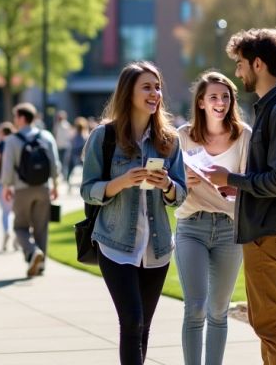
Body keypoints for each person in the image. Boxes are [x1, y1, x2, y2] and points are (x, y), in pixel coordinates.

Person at [80, 61, 187, 365]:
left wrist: (167, 184)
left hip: (157, 249)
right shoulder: (105, 137)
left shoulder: (169, 141)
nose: (155, 93)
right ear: (128, 93)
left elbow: (179, 196)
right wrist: (121, 182)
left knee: (143, 327)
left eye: (157, 87)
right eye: (147, 87)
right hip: (114, 244)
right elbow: (87, 189)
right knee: (131, 322)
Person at [206, 28, 276, 365]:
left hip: (268, 232)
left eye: (241, 63)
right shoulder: (271, 108)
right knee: (264, 323)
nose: (237, 71)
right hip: (262, 229)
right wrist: (239, 185)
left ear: (258, 63)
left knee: (270, 324)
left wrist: (231, 177)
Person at [176, 71, 250, 365]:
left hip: (229, 230)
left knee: (218, 311)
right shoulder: (182, 135)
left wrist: (232, 183)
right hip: (191, 225)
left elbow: (250, 183)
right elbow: (168, 185)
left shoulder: (244, 135)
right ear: (202, 102)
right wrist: (183, 180)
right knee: (195, 308)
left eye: (225, 96)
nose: (220, 102)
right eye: (214, 97)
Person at [0, 102, 63, 277]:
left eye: (15, 117)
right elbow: (55, 164)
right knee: (41, 228)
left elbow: (7, 167)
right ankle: (41, 264)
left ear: (21, 118)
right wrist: (56, 185)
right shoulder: (46, 136)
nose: (14, 120)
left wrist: (6, 186)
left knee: (20, 227)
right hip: (43, 188)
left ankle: (32, 251)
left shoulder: (12, 140)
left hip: (22, 189)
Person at [0, 121, 18, 252]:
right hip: (17, 183)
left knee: (6, 212)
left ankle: (7, 230)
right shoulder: (17, 143)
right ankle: (17, 237)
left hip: (3, 182)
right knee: (17, 213)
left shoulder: (0, 145)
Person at [67, 116, 90, 184]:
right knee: (85, 169)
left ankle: (68, 180)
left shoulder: (74, 135)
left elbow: (71, 145)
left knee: (70, 168)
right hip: (81, 153)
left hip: (74, 153)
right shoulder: (86, 135)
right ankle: (86, 180)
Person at [54, 110, 75, 180]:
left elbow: (70, 136)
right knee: (59, 162)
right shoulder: (57, 125)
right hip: (59, 146)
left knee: (64, 163)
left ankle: (64, 177)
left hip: (65, 147)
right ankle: (61, 176)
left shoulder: (66, 125)